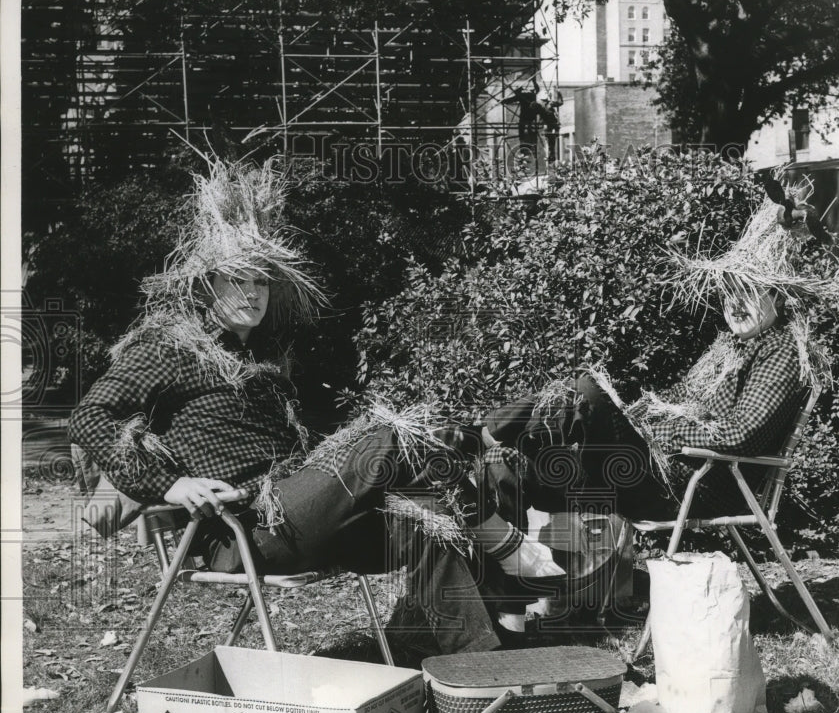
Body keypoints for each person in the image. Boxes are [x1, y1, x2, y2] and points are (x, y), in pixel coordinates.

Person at [68, 158, 557, 656]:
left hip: (299, 513)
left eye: (260, 281)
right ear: (206, 286)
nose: (253, 292)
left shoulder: (259, 362)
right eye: (237, 280)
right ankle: (504, 537)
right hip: (246, 530)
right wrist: (173, 485)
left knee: (426, 524)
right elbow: (89, 417)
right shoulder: (168, 351)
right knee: (386, 437)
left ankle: (485, 669)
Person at [479, 179, 839, 543]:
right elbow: (674, 397)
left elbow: (738, 436)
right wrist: (633, 420)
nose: (734, 304)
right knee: (506, 462)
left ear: (778, 298)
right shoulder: (727, 346)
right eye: (728, 293)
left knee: (584, 389)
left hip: (687, 484)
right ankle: (511, 600)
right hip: (647, 473)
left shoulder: (780, 351)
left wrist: (662, 436)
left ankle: (484, 429)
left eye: (748, 293)